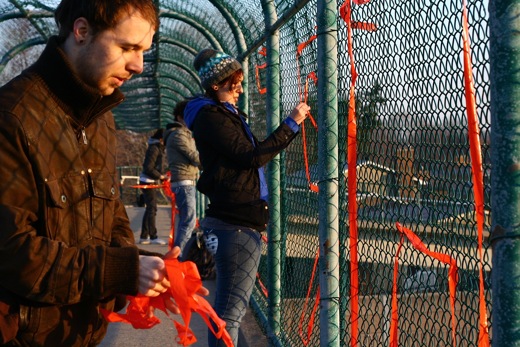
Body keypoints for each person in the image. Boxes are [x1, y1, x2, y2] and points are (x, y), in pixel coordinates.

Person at [0, 1, 189, 345]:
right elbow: (12, 253)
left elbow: (111, 216)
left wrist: (142, 266)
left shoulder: (101, 119)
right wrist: (120, 270)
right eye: (127, 47)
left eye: (143, 51)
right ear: (82, 31)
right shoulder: (11, 117)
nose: (139, 65)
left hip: (83, 333)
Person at [184, 48, 311, 346]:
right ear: (216, 85)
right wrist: (291, 123)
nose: (240, 89)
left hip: (234, 222)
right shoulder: (212, 116)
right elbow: (251, 156)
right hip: (236, 225)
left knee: (228, 311)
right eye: (234, 83)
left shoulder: (221, 113)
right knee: (229, 314)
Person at [164, 100, 201, 257]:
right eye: (187, 115)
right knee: (189, 221)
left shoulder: (181, 134)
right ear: (180, 117)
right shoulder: (178, 135)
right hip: (184, 182)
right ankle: (179, 255)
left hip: (185, 181)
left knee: (186, 220)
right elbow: (194, 157)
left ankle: (180, 253)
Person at [139, 128, 168, 245]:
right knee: (152, 209)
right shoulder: (154, 149)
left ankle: (144, 236)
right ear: (161, 139)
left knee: (150, 209)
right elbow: (148, 167)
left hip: (149, 180)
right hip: (147, 181)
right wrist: (160, 176)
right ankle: (153, 236)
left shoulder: (156, 148)